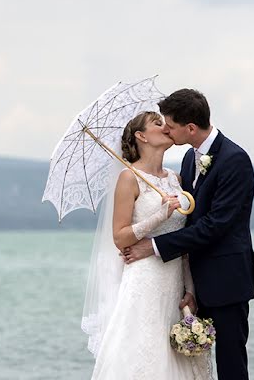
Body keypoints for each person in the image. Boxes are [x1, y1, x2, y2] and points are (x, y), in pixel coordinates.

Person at [123, 89, 254, 380]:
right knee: (190, 362)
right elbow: (188, 219)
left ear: (190, 128)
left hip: (226, 280)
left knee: (231, 362)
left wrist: (155, 246)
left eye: (170, 126)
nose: (167, 131)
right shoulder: (188, 158)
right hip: (189, 282)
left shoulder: (235, 160)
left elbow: (215, 225)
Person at [85, 110, 213, 379]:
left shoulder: (176, 179)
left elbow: (185, 242)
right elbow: (120, 237)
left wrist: (190, 289)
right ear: (141, 136)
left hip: (175, 282)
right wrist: (159, 215)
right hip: (145, 281)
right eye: (157, 123)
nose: (165, 126)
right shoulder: (129, 178)